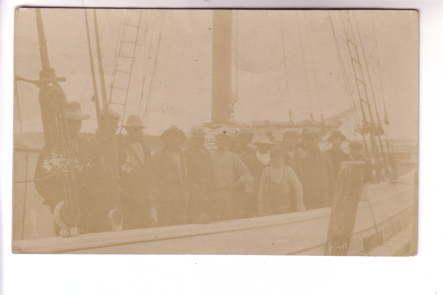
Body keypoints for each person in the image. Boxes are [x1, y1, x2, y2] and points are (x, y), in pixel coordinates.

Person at [34, 101, 91, 237]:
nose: (76, 126)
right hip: (62, 211)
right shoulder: (51, 148)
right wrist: (56, 201)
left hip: (87, 210)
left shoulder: (86, 146)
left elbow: (91, 175)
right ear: (63, 123)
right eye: (71, 122)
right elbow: (40, 181)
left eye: (78, 122)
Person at [119, 115, 156, 229]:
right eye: (135, 130)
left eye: (139, 129)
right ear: (128, 131)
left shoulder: (145, 148)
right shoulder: (121, 147)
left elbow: (150, 170)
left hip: (144, 194)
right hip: (129, 194)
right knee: (131, 224)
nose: (138, 132)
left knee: (144, 223)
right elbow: (120, 170)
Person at [152, 126, 188, 226]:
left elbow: (185, 175)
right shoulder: (158, 155)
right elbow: (154, 176)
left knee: (180, 222)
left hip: (180, 193)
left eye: (176, 137)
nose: (174, 140)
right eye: (170, 137)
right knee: (165, 221)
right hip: (165, 194)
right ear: (165, 140)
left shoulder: (182, 155)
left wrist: (185, 191)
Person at [211, 132, 252, 221]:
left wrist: (236, 184)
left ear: (228, 141)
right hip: (215, 195)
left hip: (229, 195)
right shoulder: (211, 157)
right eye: (219, 139)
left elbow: (246, 174)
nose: (221, 142)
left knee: (229, 220)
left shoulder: (233, 156)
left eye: (224, 139)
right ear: (216, 141)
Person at [257, 147, 305, 216]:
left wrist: (300, 204)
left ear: (284, 159)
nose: (276, 160)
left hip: (284, 210)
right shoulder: (266, 171)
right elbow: (260, 191)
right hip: (268, 211)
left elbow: (299, 187)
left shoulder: (288, 170)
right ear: (271, 159)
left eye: (279, 158)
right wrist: (260, 207)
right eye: (274, 157)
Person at [183, 128, 214, 223]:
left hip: (205, 185)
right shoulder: (186, 153)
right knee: (193, 208)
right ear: (192, 140)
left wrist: (208, 183)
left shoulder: (206, 153)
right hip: (192, 186)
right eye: (197, 139)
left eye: (201, 139)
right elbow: (185, 171)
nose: (200, 141)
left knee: (205, 208)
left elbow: (210, 170)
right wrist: (192, 184)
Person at [295, 130, 331, 209]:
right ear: (305, 142)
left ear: (317, 141)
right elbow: (299, 177)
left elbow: (330, 176)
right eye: (307, 140)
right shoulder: (301, 158)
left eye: (312, 139)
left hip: (323, 196)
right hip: (308, 197)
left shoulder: (324, 156)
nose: (310, 142)